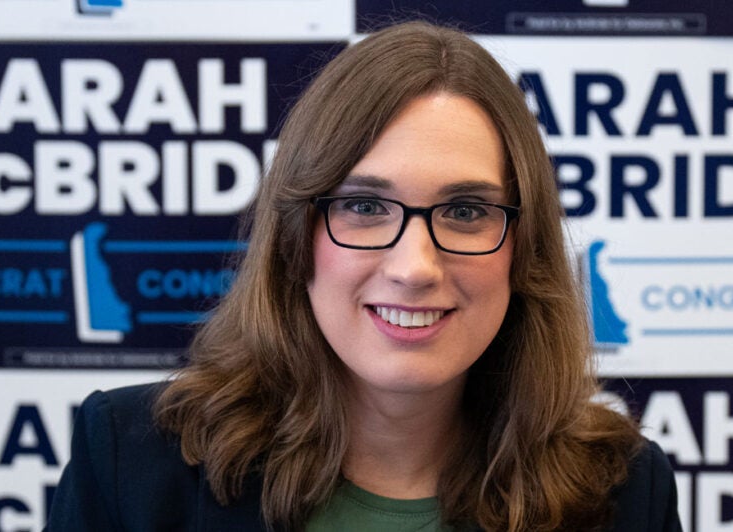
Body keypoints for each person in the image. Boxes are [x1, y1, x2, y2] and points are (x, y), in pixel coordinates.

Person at [46, 20, 680, 532]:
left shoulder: (625, 489)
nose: (413, 269)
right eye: (365, 206)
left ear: (524, 250)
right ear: (297, 237)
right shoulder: (131, 458)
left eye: (465, 211)